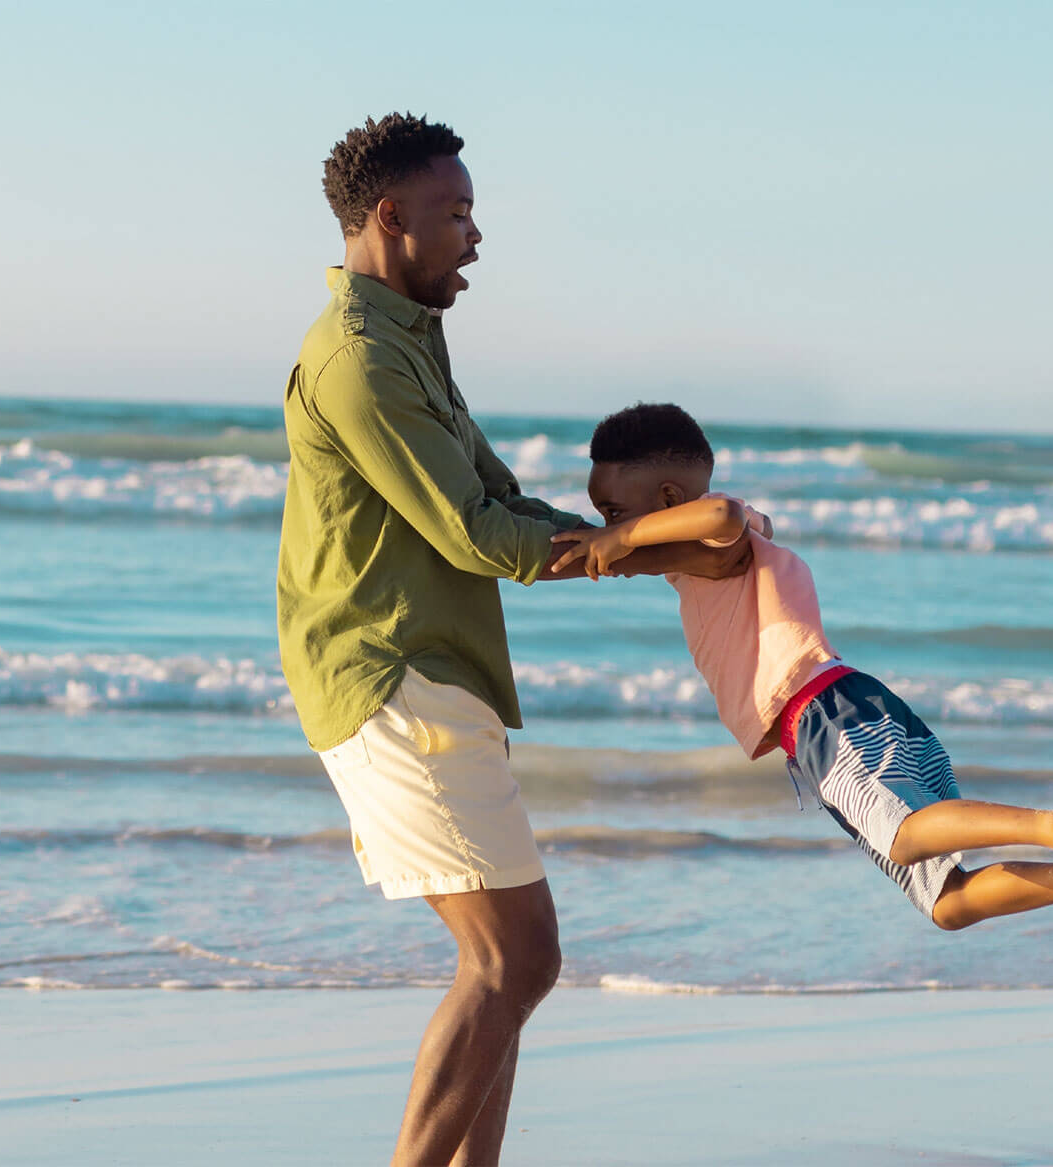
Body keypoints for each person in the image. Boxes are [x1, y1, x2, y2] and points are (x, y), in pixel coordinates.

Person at [276, 114, 749, 1167]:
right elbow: (479, 536)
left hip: (435, 674)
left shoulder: (408, 338)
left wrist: (651, 547)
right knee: (512, 962)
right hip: (394, 676)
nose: (476, 237)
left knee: (509, 965)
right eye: (459, 214)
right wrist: (650, 541)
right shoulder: (360, 360)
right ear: (392, 219)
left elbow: (501, 498)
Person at [551, 402, 1053, 929]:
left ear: (668, 499)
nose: (604, 529)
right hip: (846, 716)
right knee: (948, 902)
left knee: (906, 835)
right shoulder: (729, 537)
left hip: (828, 716)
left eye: (612, 513)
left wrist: (626, 538)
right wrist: (624, 537)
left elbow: (721, 515)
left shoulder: (718, 530)